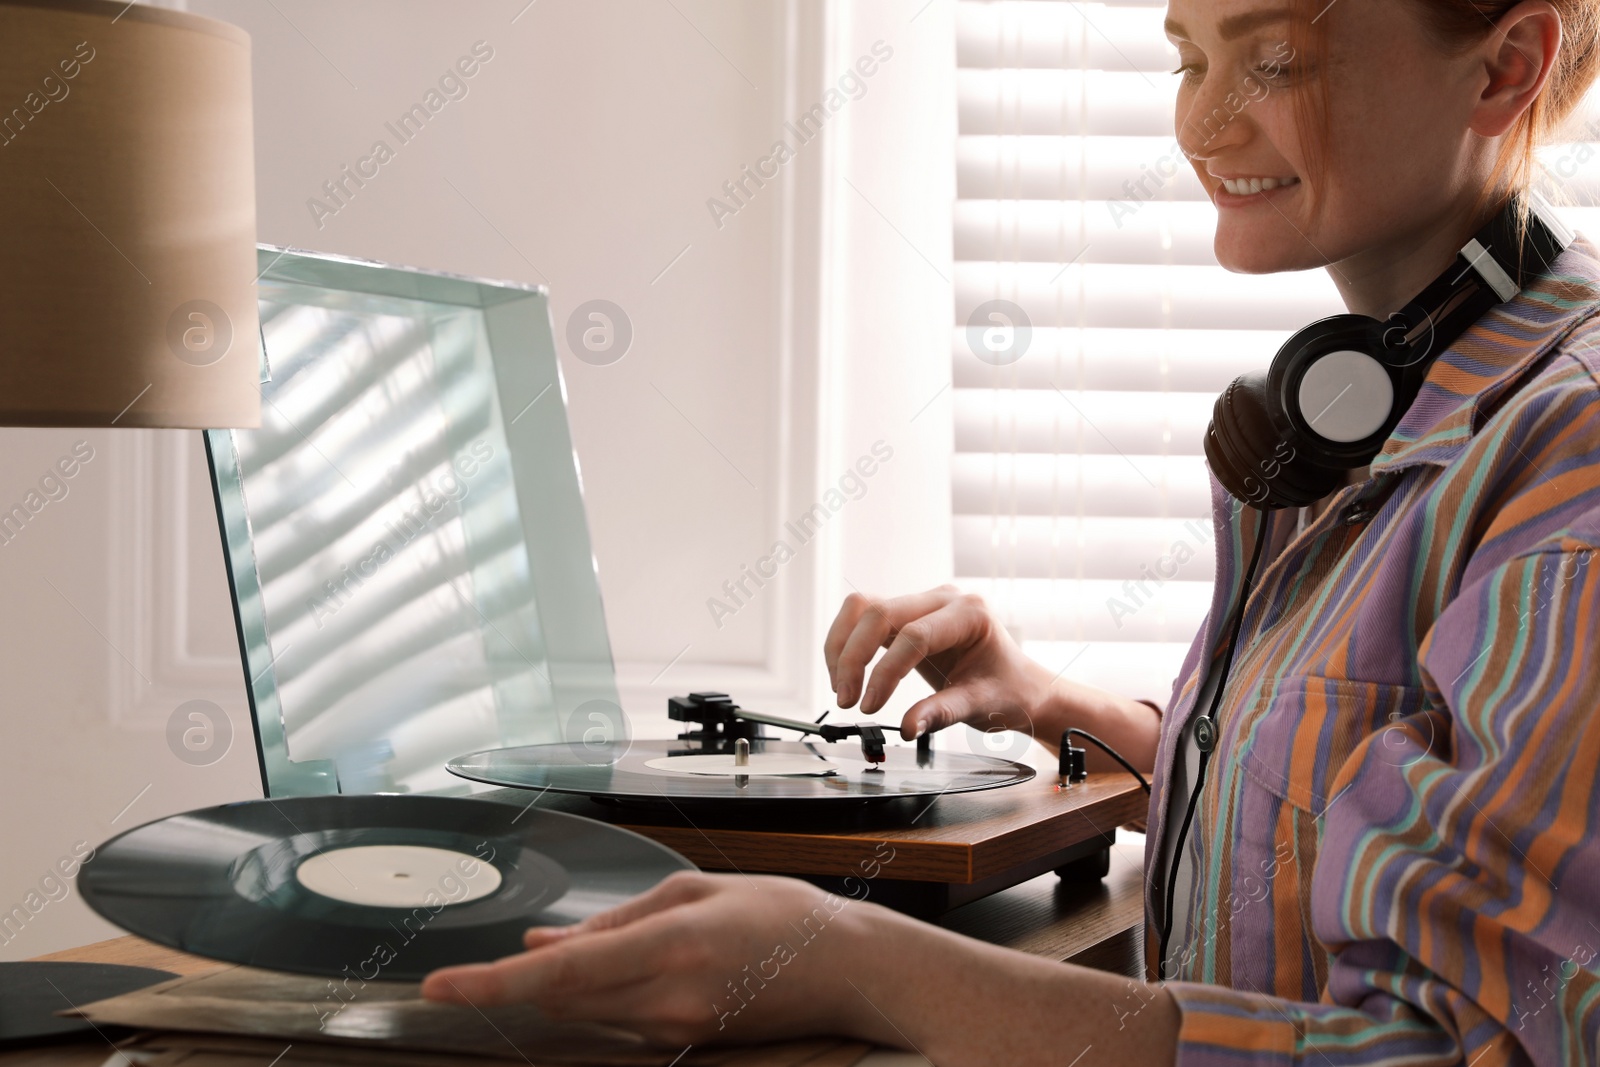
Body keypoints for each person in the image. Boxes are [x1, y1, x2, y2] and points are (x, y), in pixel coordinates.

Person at [422, 1, 1600, 1062]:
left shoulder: (1573, 461)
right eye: (1189, 60)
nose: (1202, 125)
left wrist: (855, 961)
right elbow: (1358, 811)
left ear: (1503, 67)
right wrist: (1054, 704)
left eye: (1272, 60)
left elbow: (1471, 1049)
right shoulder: (1365, 405)